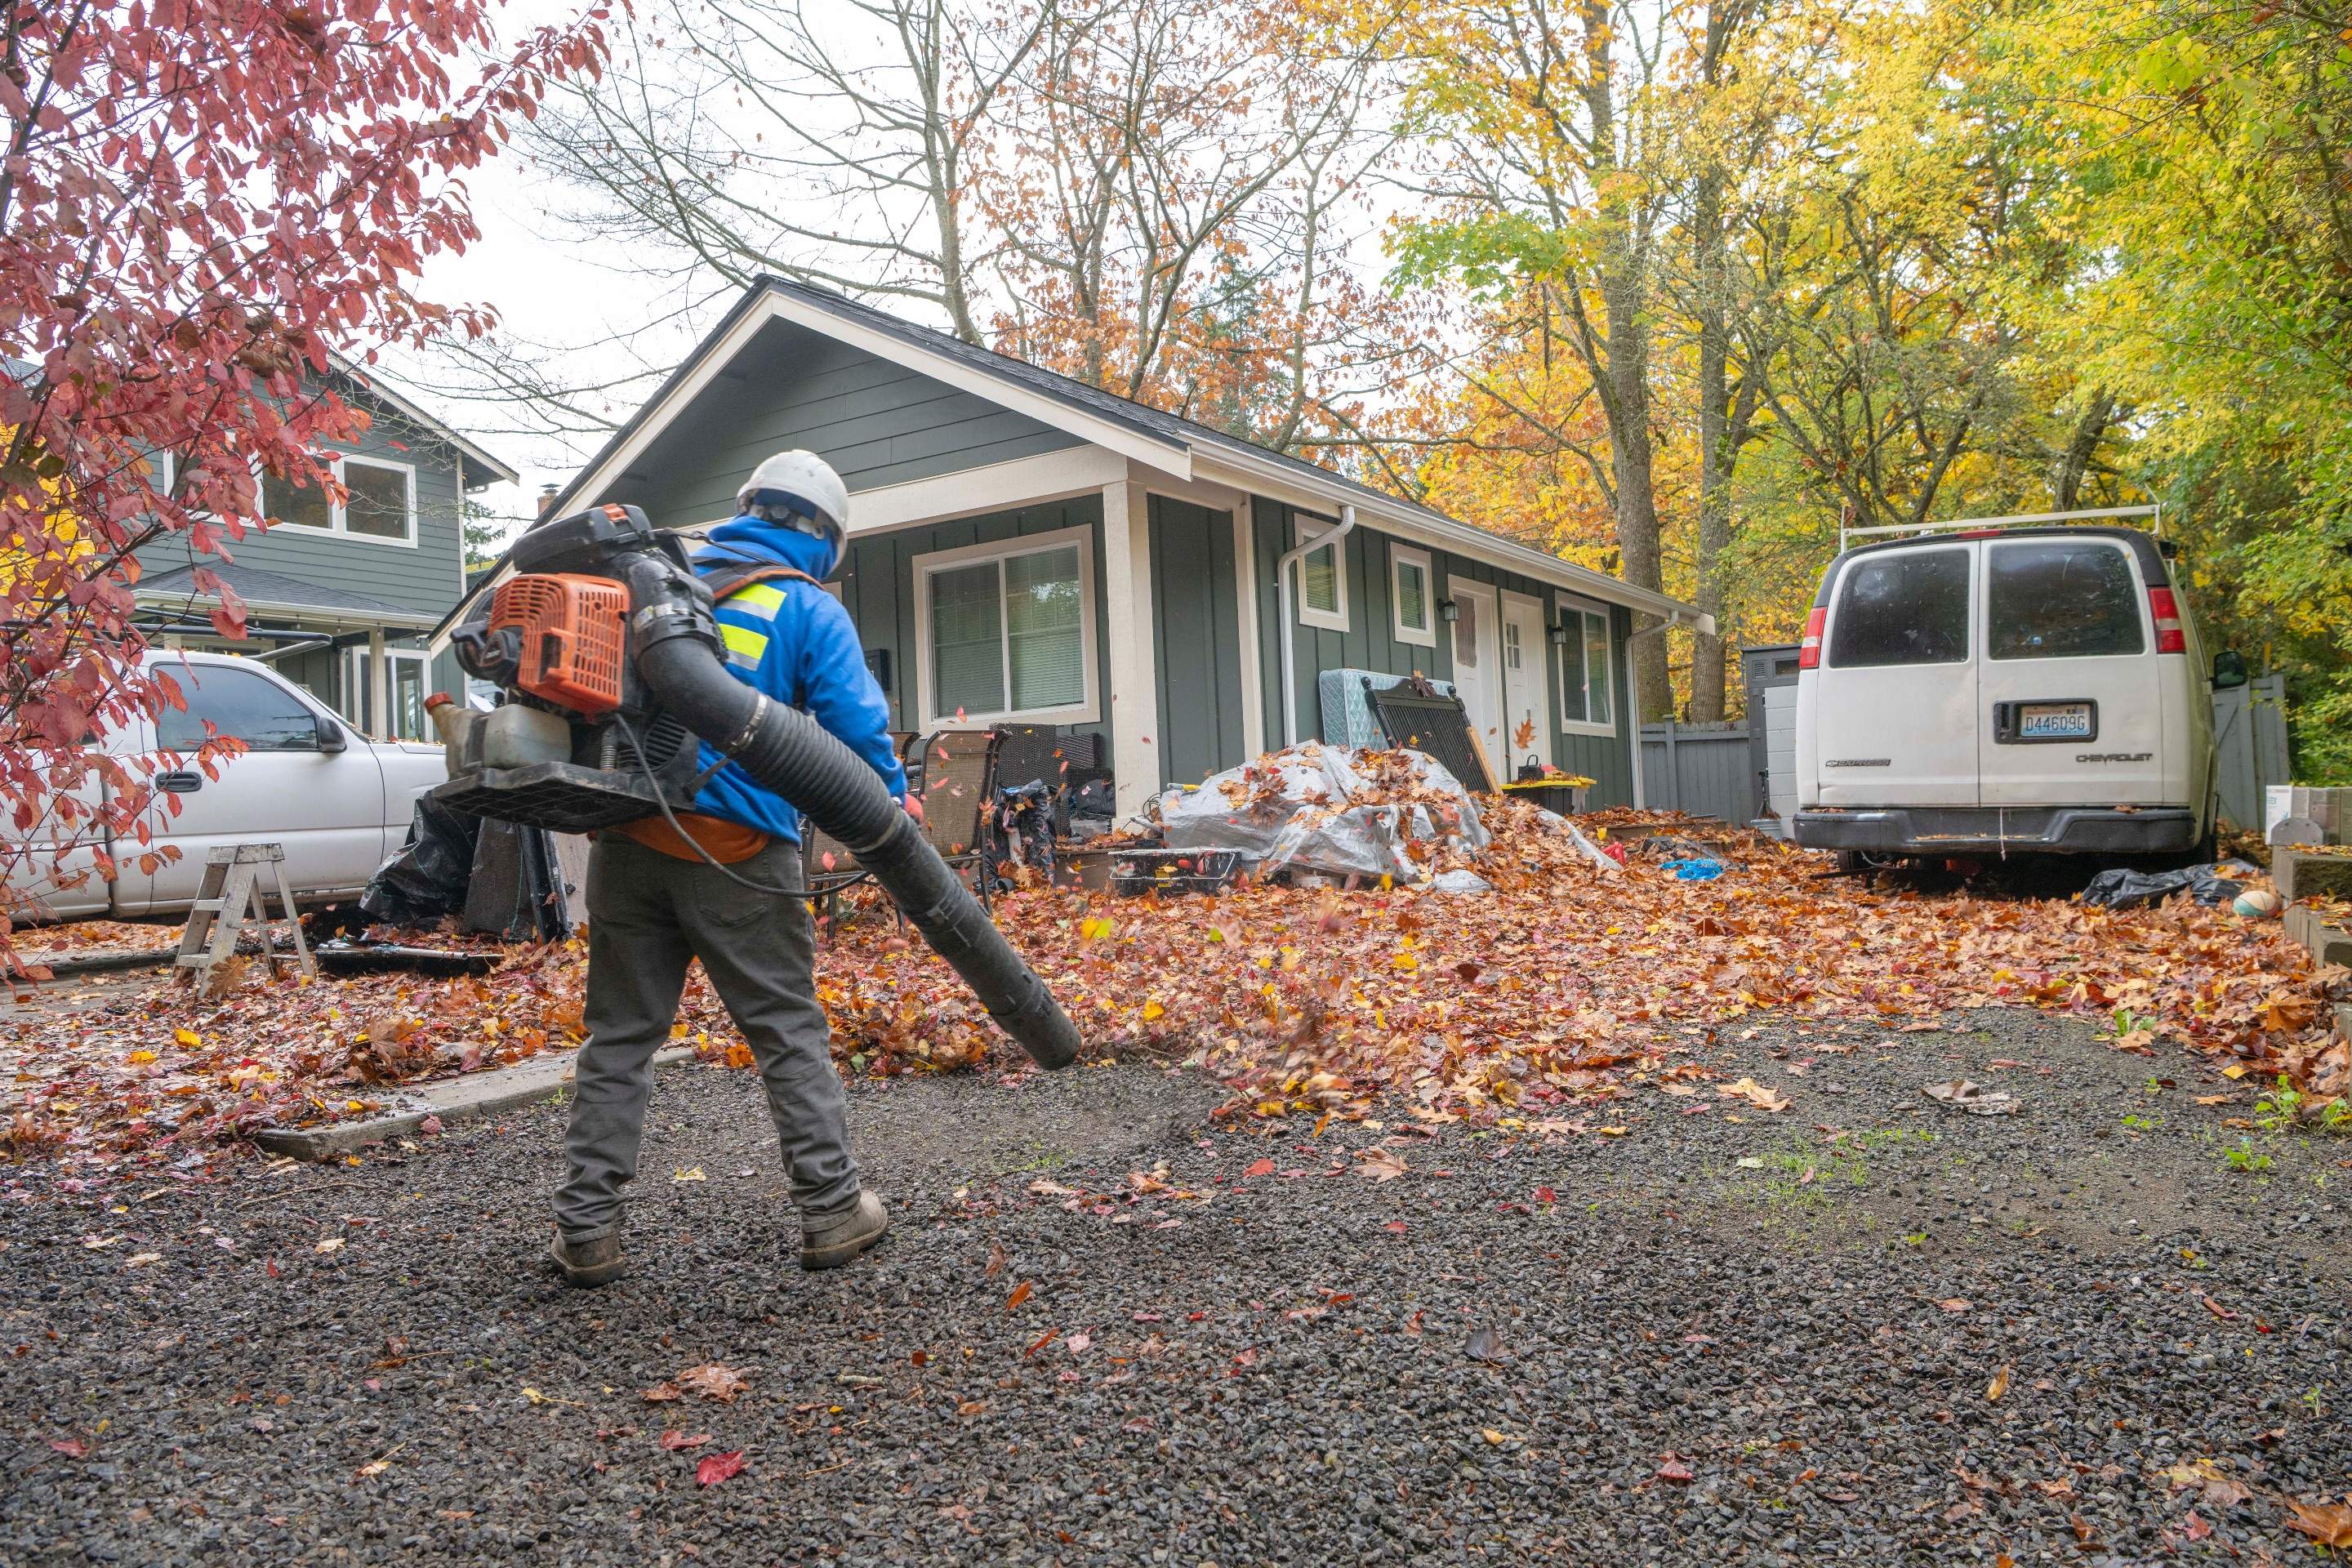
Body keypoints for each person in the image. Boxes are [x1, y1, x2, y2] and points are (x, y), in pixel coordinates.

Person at [548, 450, 907, 1285]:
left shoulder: (649, 586)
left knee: (620, 1039)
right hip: (737, 852)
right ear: (823, 535)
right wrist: (891, 806)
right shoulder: (804, 605)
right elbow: (856, 729)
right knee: (786, 1031)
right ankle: (831, 1211)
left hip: (629, 845)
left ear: (749, 507)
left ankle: (586, 1231)